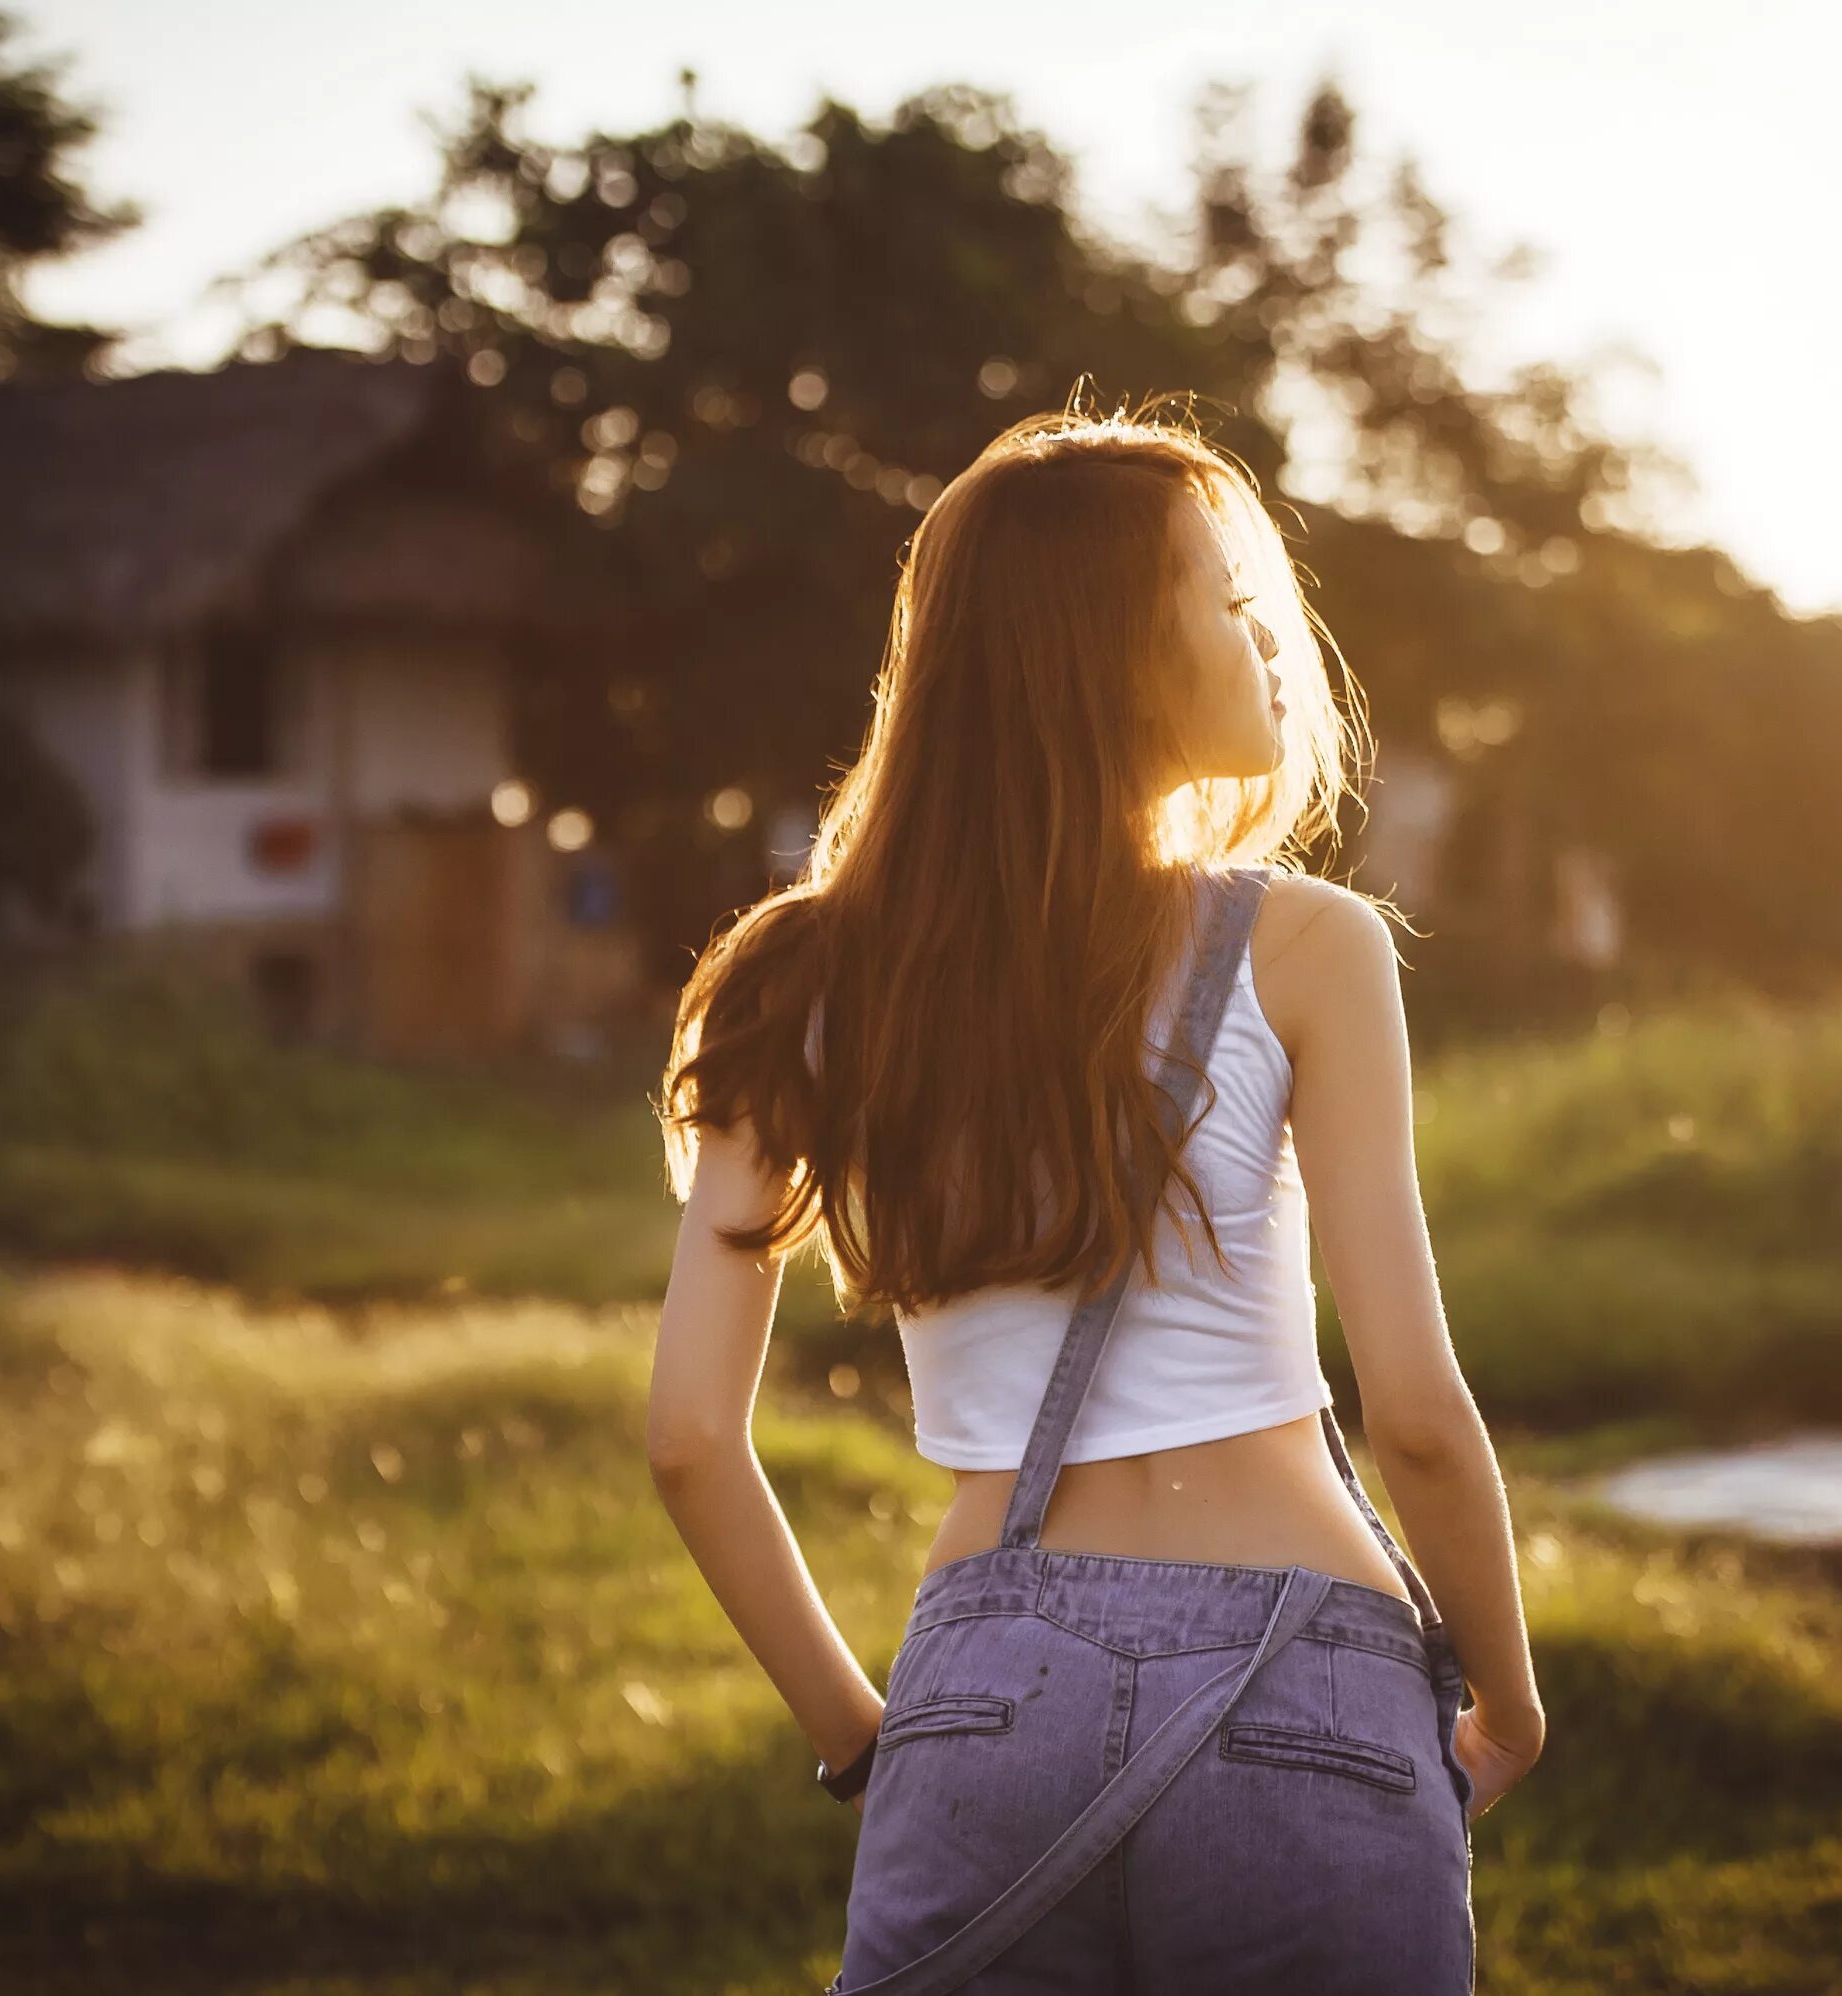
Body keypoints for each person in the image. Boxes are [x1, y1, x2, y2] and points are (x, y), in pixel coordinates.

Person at [647, 389, 1544, 1994]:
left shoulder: (791, 982)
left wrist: (874, 1742)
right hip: (1305, 1672)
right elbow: (1412, 1408)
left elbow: (690, 1442)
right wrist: (1512, 1694)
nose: (1271, 638)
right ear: (1120, 650)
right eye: (1227, 594)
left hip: (983, 1701)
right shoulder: (1307, 947)